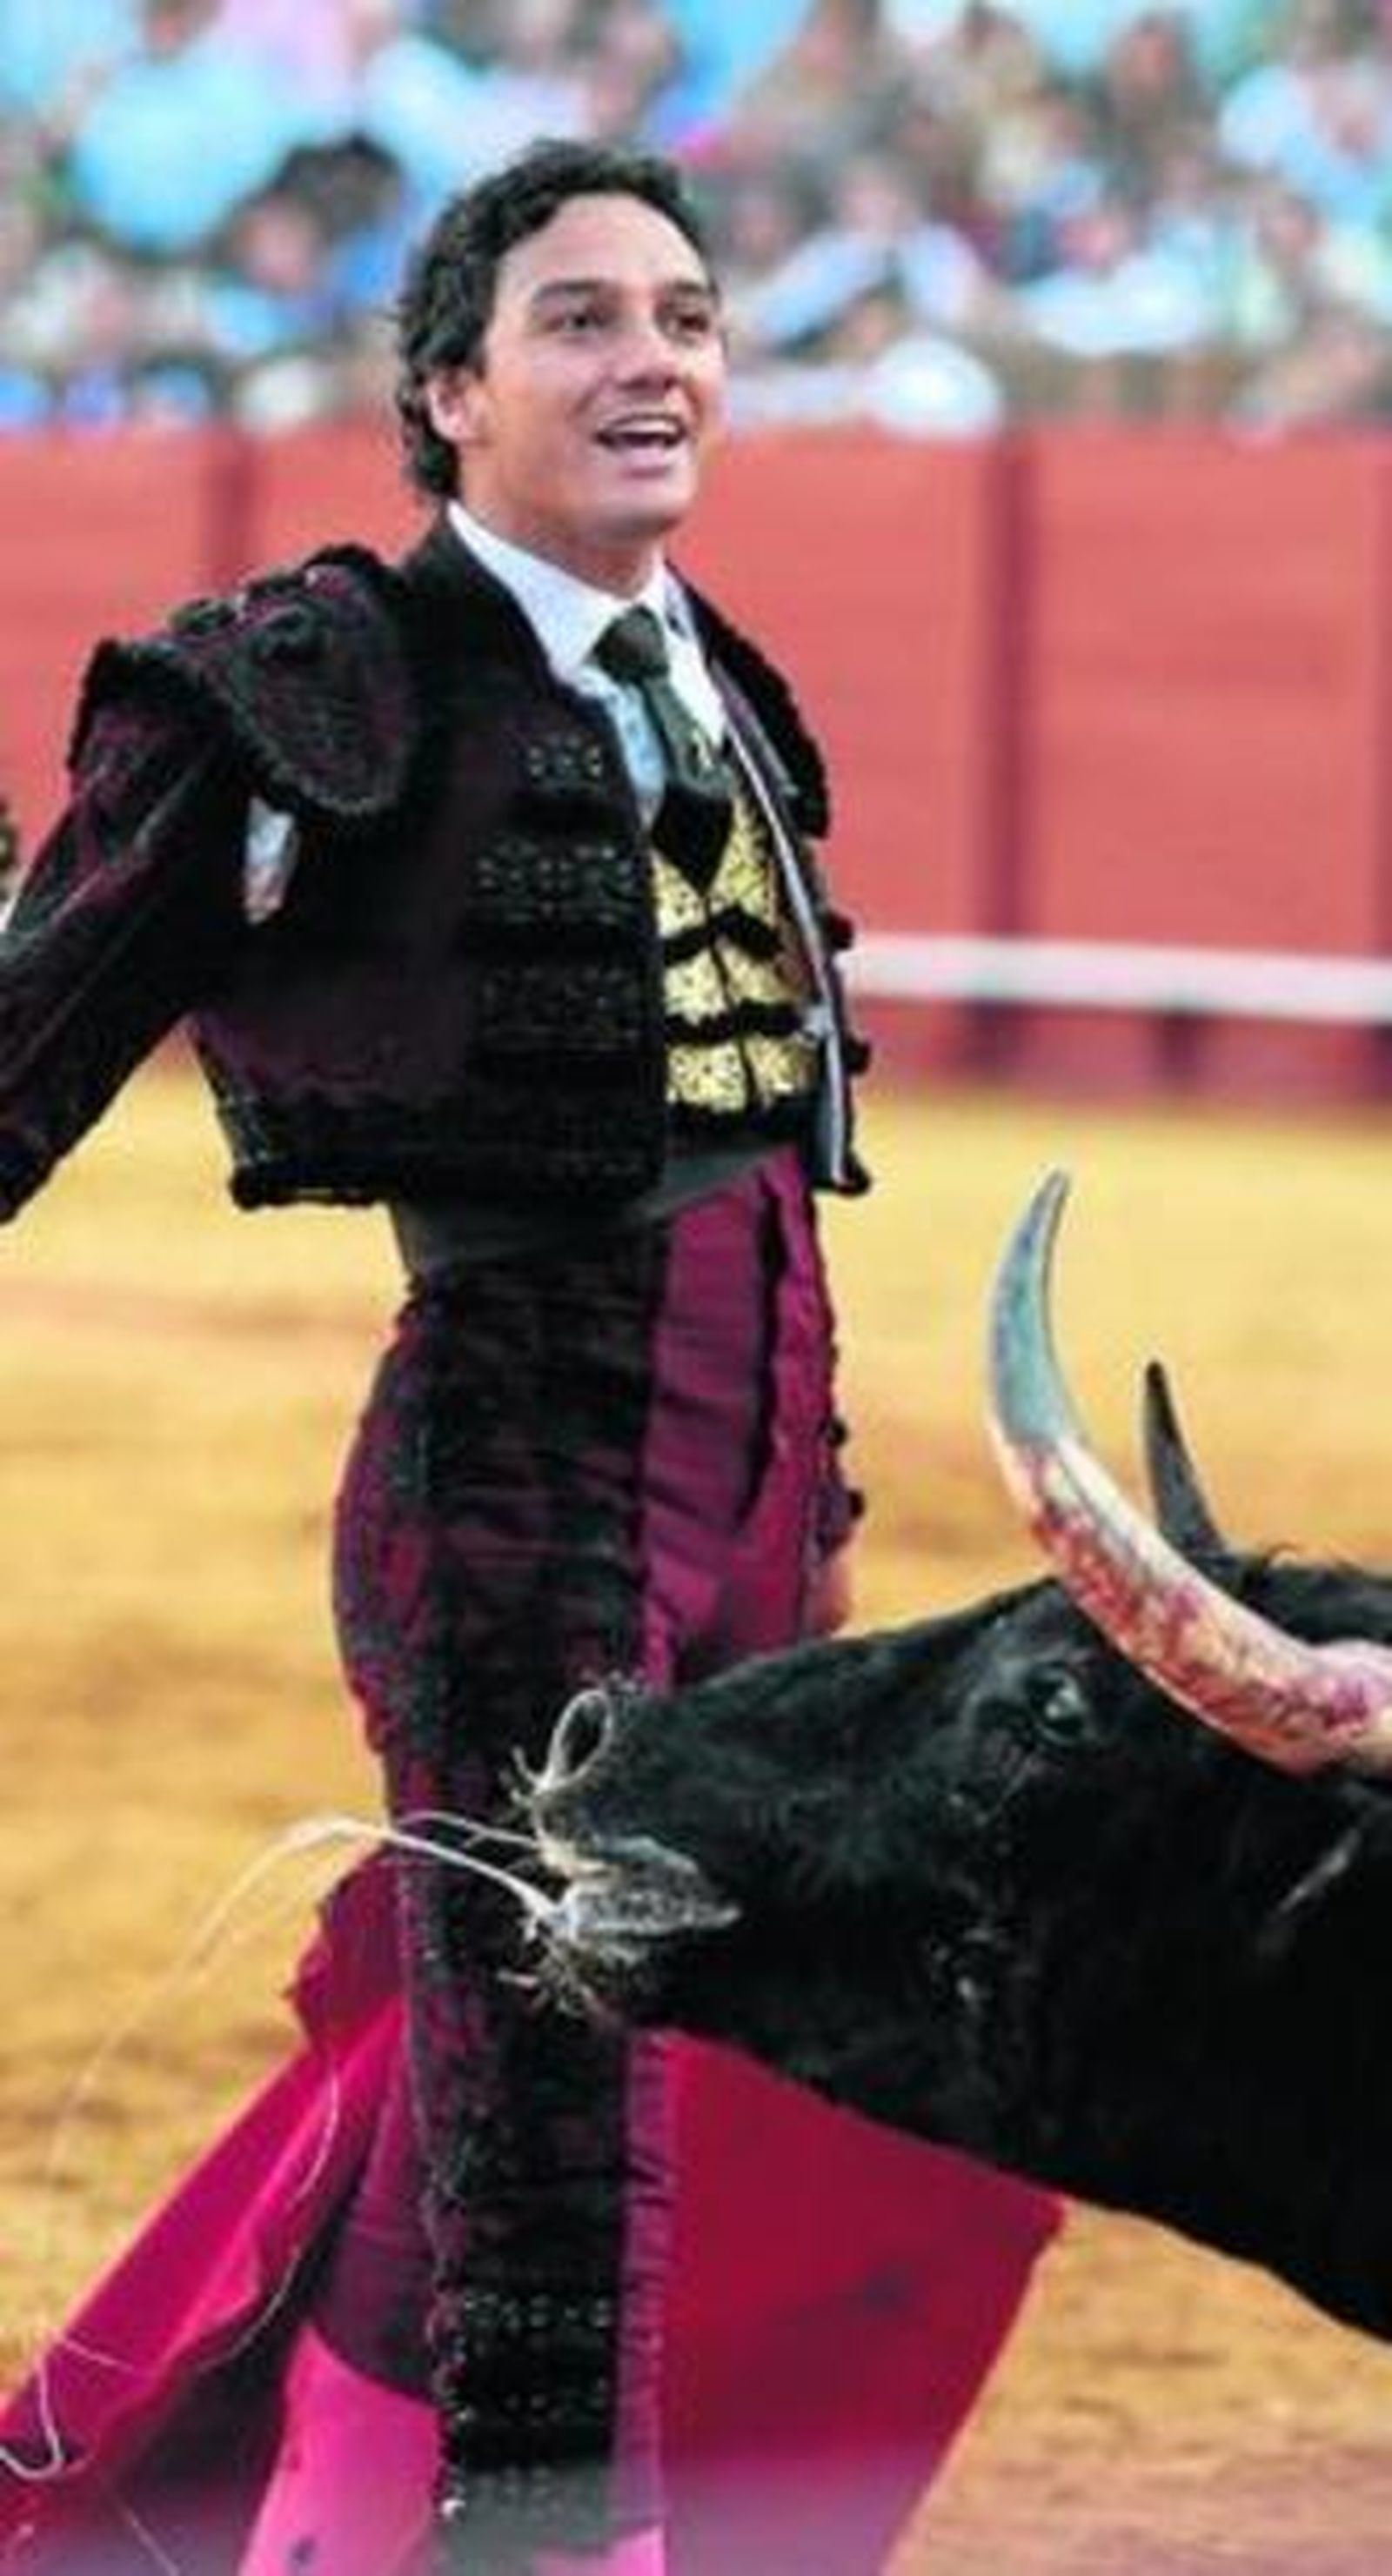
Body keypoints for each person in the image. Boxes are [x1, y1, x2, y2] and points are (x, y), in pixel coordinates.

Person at [0, 138, 1059, 2574]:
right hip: (517, 1474)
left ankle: (358, 2516)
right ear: (450, 389)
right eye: (582, 320)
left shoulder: (727, 679)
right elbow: (30, 1042)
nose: (654, 359)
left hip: (761, 1479)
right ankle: (505, 2544)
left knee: (683, 2042)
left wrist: (810, 1484)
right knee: (540, 2063)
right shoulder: (318, 681)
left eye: (686, 314)